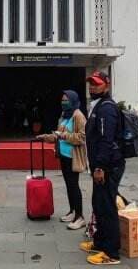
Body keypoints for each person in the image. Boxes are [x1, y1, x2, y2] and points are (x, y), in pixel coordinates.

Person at [79, 71, 124, 265]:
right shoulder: (97, 107)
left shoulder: (106, 109)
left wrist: (100, 167)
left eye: (96, 84)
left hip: (107, 166)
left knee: (107, 207)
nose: (92, 88)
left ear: (106, 85)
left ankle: (111, 253)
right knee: (99, 204)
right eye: (90, 84)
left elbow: (107, 140)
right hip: (100, 165)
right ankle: (99, 242)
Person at [37, 90, 88, 230]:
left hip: (74, 157)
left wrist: (64, 135)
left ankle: (80, 217)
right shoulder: (64, 115)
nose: (63, 102)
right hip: (64, 156)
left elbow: (82, 138)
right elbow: (58, 135)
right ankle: (72, 212)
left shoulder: (78, 116)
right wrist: (46, 137)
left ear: (73, 100)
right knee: (68, 185)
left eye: (66, 100)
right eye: (62, 100)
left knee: (74, 185)